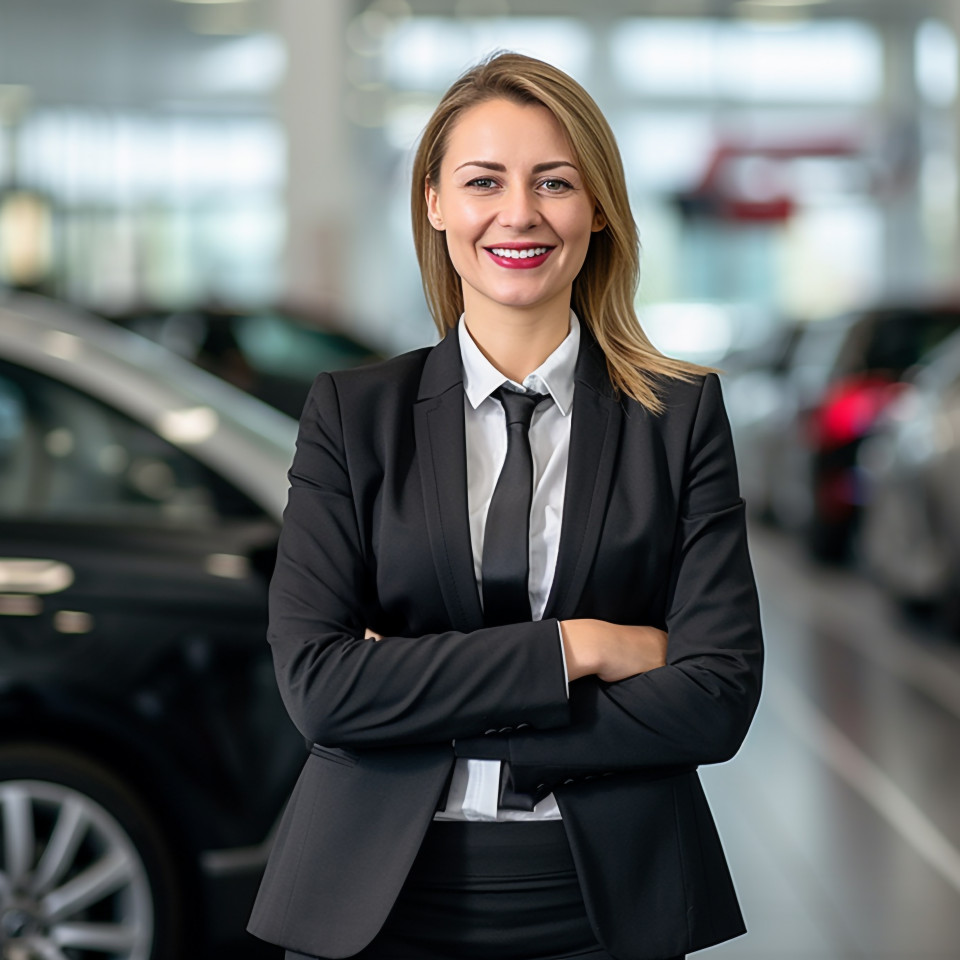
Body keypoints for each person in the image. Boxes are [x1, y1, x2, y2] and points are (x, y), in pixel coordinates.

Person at [248, 52, 763, 960]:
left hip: (604, 899)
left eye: (553, 182)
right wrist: (581, 648)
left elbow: (715, 698)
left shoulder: (677, 419)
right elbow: (322, 689)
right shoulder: (353, 415)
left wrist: (421, 697)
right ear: (435, 203)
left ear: (597, 208)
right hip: (373, 898)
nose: (518, 213)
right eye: (483, 181)